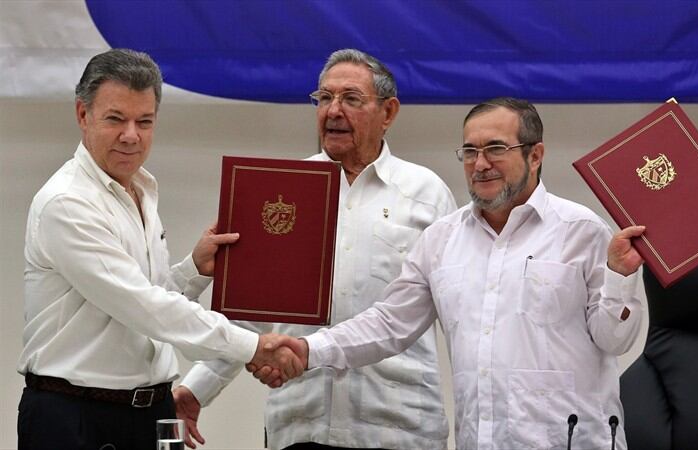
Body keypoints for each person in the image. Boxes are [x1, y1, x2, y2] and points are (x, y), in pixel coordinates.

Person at [258, 98, 647, 450]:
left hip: (571, 442)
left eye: (496, 148)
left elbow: (616, 339)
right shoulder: (442, 239)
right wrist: (310, 350)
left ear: (535, 155)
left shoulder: (582, 230)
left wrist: (620, 277)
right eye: (470, 152)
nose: (480, 164)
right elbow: (389, 323)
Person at [17, 48, 300, 450]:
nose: (131, 135)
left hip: (154, 413)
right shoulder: (68, 202)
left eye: (144, 121)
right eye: (116, 118)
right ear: (83, 115)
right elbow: (144, 307)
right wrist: (253, 346)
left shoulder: (141, 188)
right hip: (77, 417)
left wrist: (195, 270)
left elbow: (147, 301)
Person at [175, 49, 455, 450]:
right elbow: (253, 315)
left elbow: (457, 311)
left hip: (399, 427)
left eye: (351, 99)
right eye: (324, 98)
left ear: (388, 113)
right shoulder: (284, 192)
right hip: (302, 424)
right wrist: (195, 389)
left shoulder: (427, 195)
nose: (333, 111)